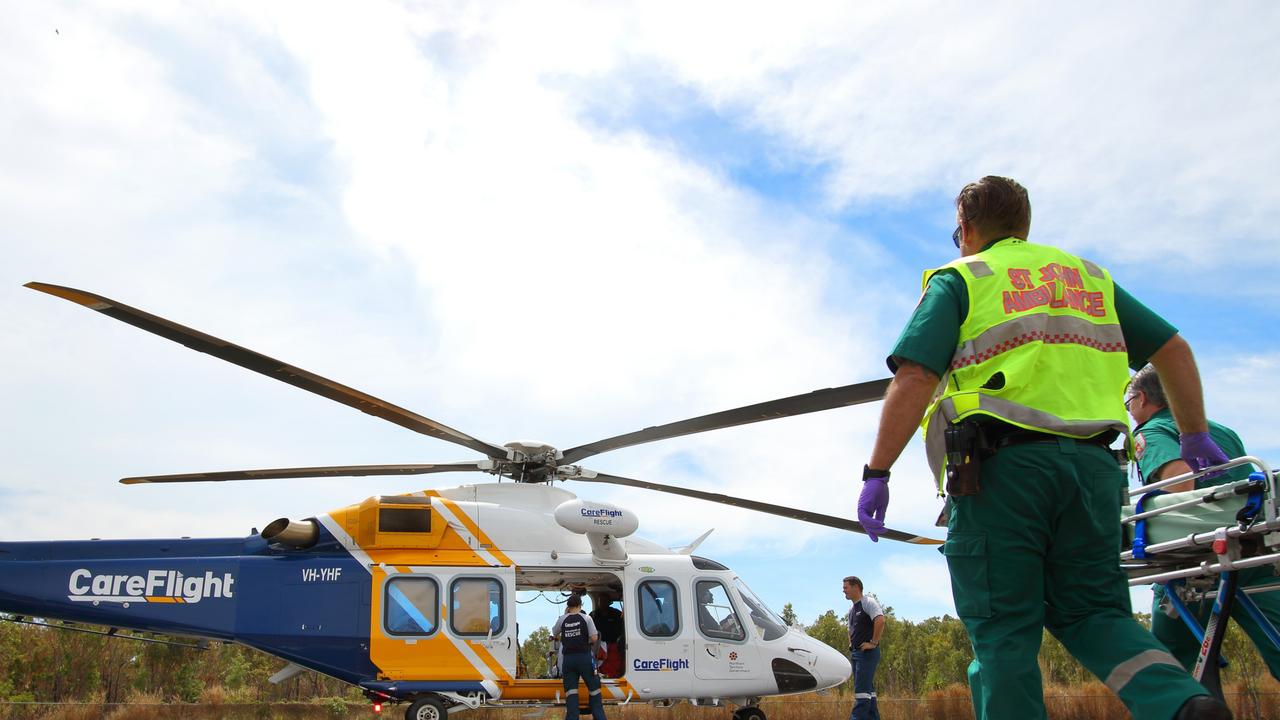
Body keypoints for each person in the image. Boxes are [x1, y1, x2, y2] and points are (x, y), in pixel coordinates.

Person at [856, 176, 1232, 720]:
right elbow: (1173, 349)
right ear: (1025, 224)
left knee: (1004, 631)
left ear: (965, 227)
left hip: (1001, 476)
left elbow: (915, 376)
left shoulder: (963, 278)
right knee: (1097, 616)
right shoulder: (1089, 278)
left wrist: (878, 471)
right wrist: (1195, 433)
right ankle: (1183, 705)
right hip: (1096, 472)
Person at [1128, 365, 1280, 679]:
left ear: (1142, 398)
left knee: (1176, 666)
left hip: (1195, 560)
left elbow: (1180, 486)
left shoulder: (1152, 430)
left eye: (1129, 401)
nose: (1129, 410)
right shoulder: (1220, 430)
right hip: (1254, 548)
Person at [552, 594, 607, 720]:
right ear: (580, 605)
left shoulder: (562, 619)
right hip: (584, 658)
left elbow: (554, 631)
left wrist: (565, 615)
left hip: (568, 661)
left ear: (568, 606)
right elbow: (594, 638)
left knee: (571, 692)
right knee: (594, 689)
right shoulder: (586, 618)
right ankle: (599, 716)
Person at [843, 576, 884, 720]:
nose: (843, 591)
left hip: (867, 653)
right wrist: (851, 644)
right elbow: (850, 629)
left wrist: (873, 642)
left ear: (856, 587)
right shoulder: (851, 610)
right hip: (856, 653)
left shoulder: (868, 602)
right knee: (868, 691)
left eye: (846, 587)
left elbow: (880, 620)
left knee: (861, 693)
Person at [590, 593, 625, 677]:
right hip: (598, 647)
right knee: (599, 665)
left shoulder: (616, 614)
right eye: (600, 601)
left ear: (609, 602)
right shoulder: (593, 615)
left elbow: (622, 628)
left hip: (613, 645)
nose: (602, 603)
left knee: (614, 664)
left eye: (604, 601)